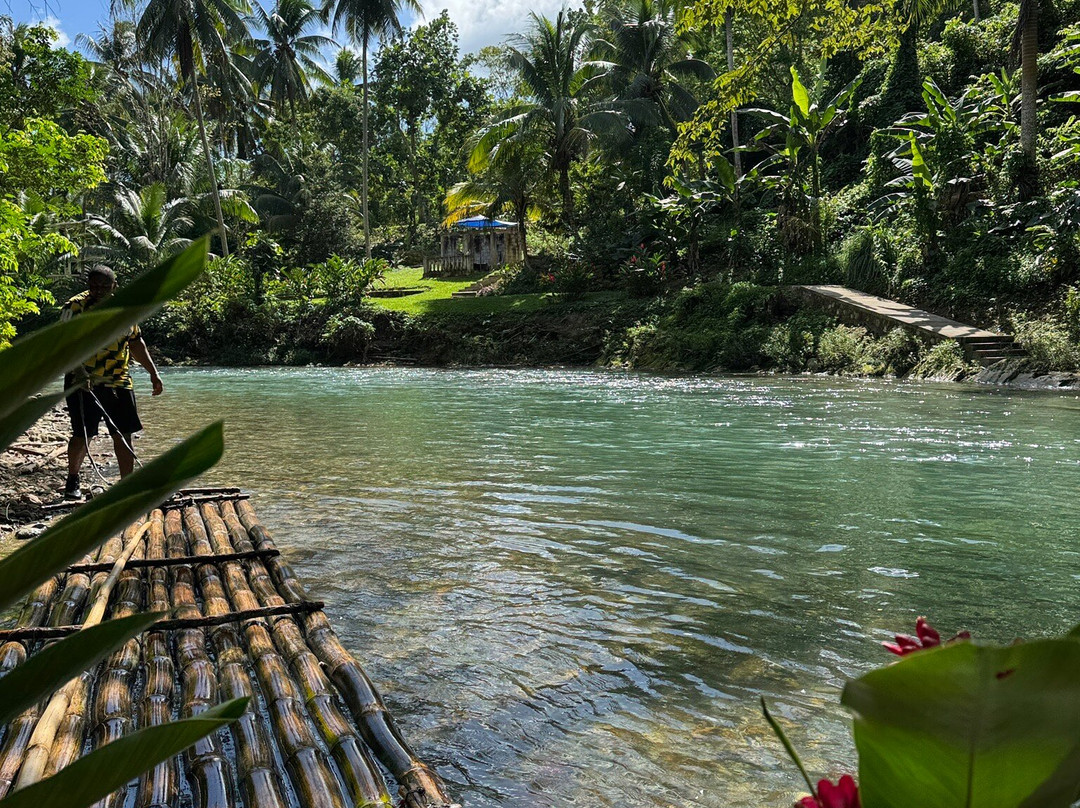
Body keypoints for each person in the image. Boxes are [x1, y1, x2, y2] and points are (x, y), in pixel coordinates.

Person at [61, 265, 164, 500]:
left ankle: (125, 486)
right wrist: (79, 371)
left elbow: (136, 342)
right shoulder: (74, 307)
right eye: (94, 286)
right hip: (82, 381)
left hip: (118, 380)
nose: (98, 291)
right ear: (88, 286)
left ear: (114, 287)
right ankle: (72, 479)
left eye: (104, 287)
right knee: (83, 434)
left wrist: (153, 373)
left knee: (123, 433)